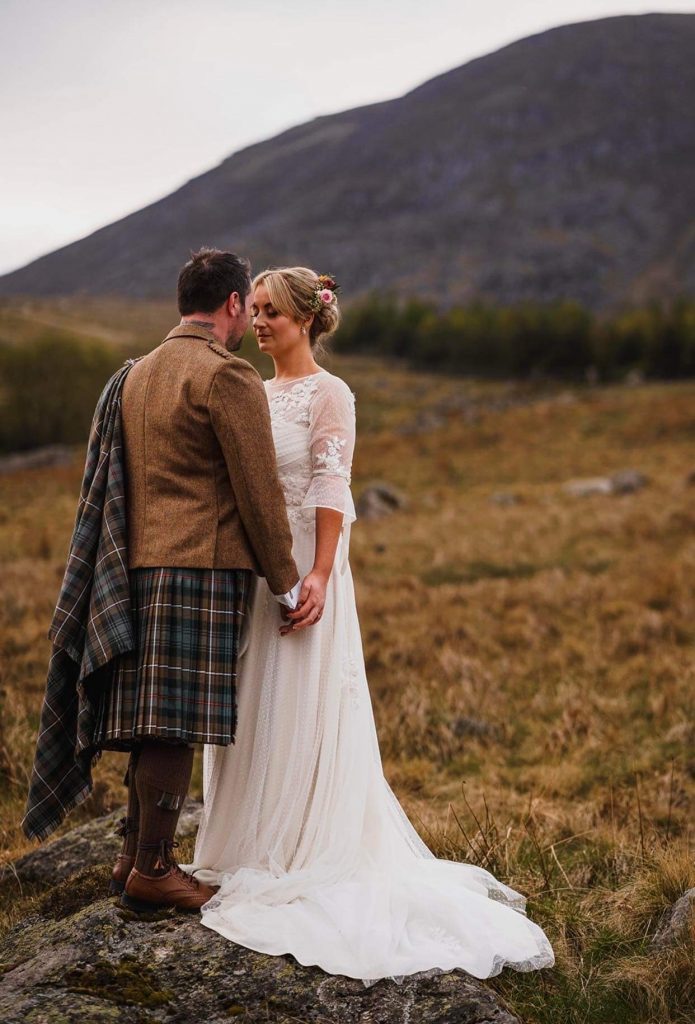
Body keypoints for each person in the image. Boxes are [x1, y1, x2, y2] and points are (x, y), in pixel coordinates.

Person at [186, 267, 555, 981]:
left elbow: (330, 485)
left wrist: (318, 572)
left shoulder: (331, 394)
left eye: (271, 313)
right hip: (255, 570)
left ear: (305, 320)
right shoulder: (251, 392)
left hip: (306, 563)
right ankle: (244, 841)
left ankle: (299, 845)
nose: (257, 322)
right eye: (253, 310)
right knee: (252, 696)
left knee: (300, 694)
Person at [96, 249, 307, 913]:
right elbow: (257, 489)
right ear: (233, 305)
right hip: (203, 568)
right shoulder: (225, 374)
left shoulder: (138, 374)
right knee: (173, 723)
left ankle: (133, 855)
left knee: (150, 719)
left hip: (138, 565)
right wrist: (286, 578)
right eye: (249, 306)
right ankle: (156, 869)